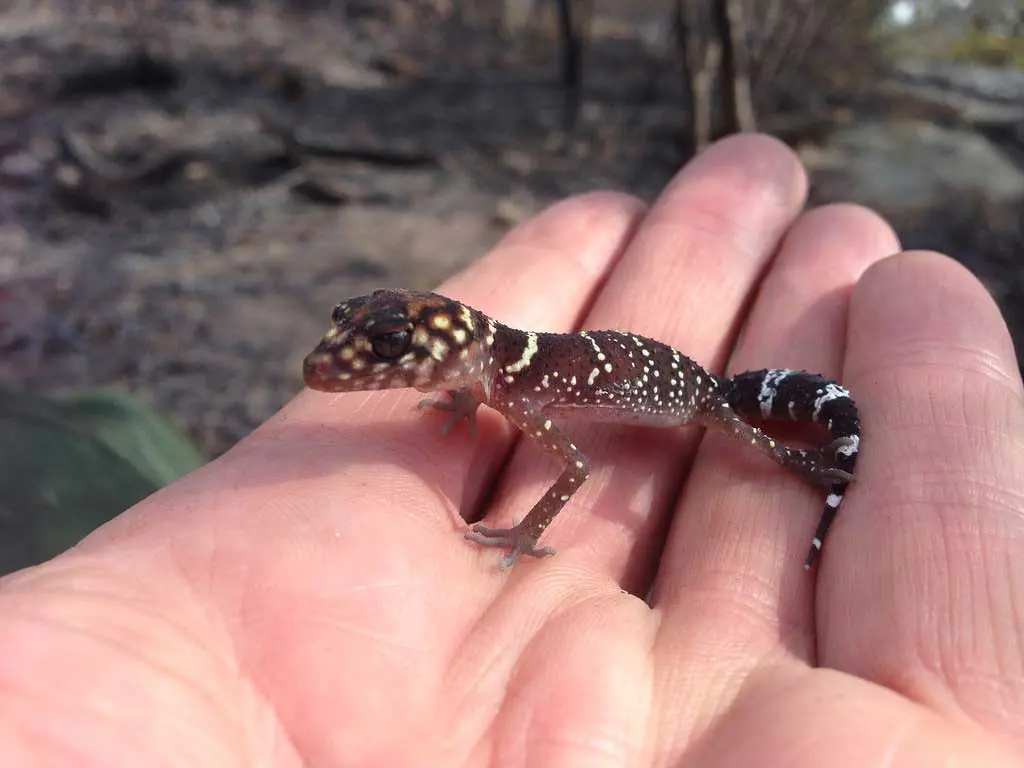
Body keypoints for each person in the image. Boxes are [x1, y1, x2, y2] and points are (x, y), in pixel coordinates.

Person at [1, 134, 1021, 765]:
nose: (347, 363)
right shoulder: (490, 375)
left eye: (385, 351)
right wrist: (459, 402)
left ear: (453, 350)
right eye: (365, 339)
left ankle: (815, 463)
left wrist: (524, 534)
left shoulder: (526, 392)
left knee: (743, 436)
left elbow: (573, 468)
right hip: (622, 365)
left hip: (691, 390)